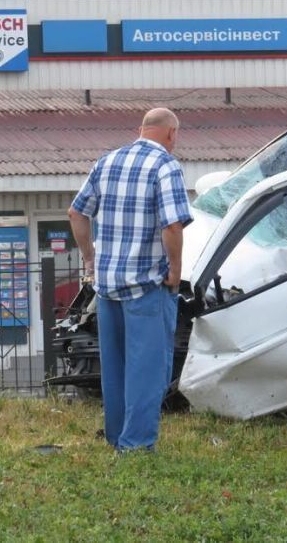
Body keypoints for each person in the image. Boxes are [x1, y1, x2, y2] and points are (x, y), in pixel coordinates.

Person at [68, 108, 193, 452]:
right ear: (171, 134)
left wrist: (90, 259)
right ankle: (136, 445)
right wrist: (175, 269)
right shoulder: (166, 166)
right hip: (146, 285)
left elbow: (76, 213)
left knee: (116, 369)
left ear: (141, 130)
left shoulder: (106, 162)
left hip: (107, 287)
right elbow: (172, 226)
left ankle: (115, 437)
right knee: (147, 369)